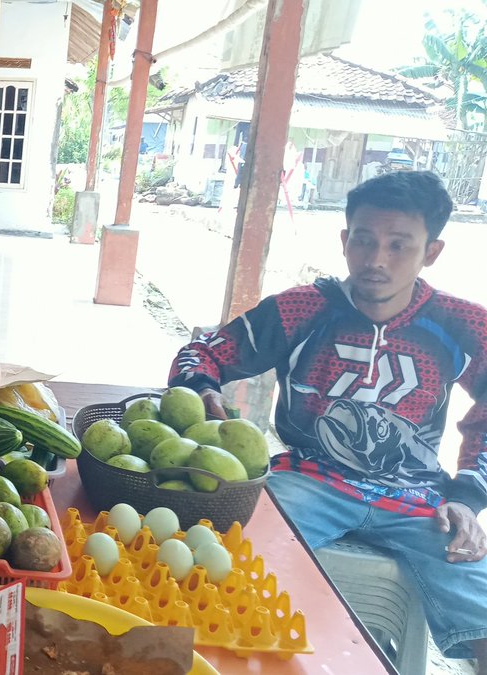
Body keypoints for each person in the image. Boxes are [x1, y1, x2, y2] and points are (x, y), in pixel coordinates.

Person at [167, 171, 487, 667]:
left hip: (419, 498)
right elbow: (204, 352)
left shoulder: (462, 324)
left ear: (432, 251)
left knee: (480, 598)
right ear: (344, 240)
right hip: (307, 481)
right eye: (363, 240)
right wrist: (201, 387)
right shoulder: (303, 308)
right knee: (218, 564)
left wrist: (467, 495)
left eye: (399, 245)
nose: (376, 260)